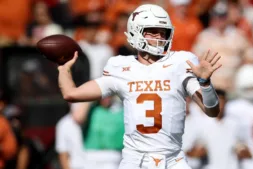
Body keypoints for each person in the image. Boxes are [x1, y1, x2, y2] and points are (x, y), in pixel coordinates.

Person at [57, 4, 221, 169]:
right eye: (153, 31)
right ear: (136, 31)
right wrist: (63, 70)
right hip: (135, 161)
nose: (160, 36)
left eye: (163, 31)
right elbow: (71, 94)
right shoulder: (120, 67)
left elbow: (212, 110)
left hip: (172, 159)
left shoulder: (179, 62)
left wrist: (205, 83)